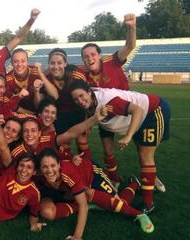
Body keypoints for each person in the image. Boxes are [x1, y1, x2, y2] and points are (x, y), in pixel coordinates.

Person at [70, 80, 171, 213]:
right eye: (76, 99)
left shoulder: (108, 102)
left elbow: (138, 110)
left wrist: (128, 136)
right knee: (108, 150)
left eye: (82, 96)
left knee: (145, 155)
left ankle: (148, 202)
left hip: (151, 111)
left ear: (89, 92)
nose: (80, 101)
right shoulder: (89, 101)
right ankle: (115, 179)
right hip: (119, 117)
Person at [36, 148, 154, 240]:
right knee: (54, 208)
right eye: (45, 167)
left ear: (59, 164)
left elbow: (83, 205)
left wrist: (77, 235)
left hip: (91, 175)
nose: (49, 170)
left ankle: (137, 203)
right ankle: (93, 200)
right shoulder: (37, 174)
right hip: (74, 185)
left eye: (53, 165)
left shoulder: (67, 172)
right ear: (40, 168)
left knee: (120, 203)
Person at [72, 14, 137, 187]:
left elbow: (130, 46)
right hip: (105, 115)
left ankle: (150, 175)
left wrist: (131, 27)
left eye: (92, 54)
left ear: (99, 55)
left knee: (142, 146)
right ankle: (113, 179)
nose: (90, 58)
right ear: (83, 60)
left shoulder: (112, 61)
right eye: (85, 56)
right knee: (107, 150)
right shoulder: (82, 72)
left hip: (126, 111)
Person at [46, 48, 92, 160]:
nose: (56, 66)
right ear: (48, 64)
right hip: (60, 114)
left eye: (59, 63)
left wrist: (88, 120)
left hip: (77, 111)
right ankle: (67, 167)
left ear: (65, 63)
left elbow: (86, 96)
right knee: (62, 143)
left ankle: (87, 167)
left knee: (82, 141)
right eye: (52, 63)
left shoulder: (76, 74)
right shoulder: (46, 78)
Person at [5, 49, 57, 113]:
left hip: (38, 111)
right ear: (11, 63)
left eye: (23, 61)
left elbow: (53, 97)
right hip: (19, 114)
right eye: (16, 61)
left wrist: (36, 90)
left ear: (27, 61)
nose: (19, 65)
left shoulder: (37, 72)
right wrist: (31, 115)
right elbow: (11, 105)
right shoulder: (7, 80)